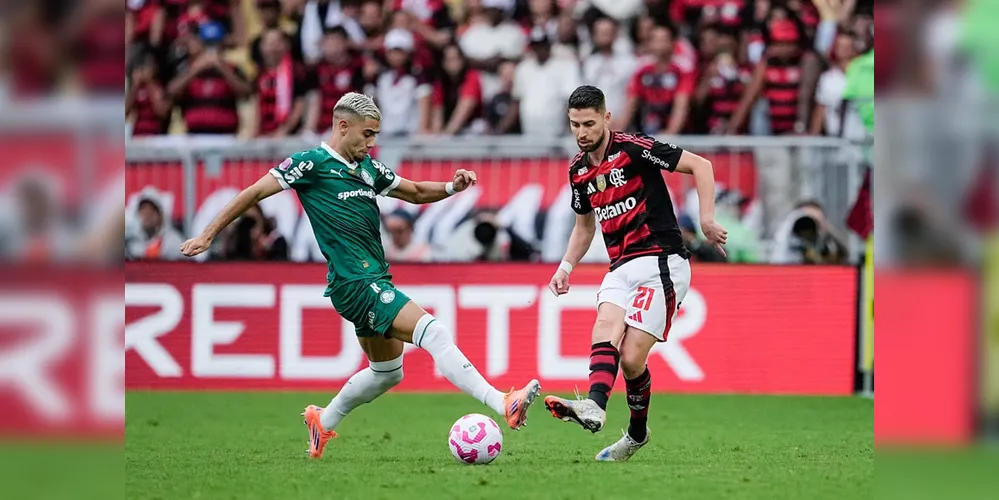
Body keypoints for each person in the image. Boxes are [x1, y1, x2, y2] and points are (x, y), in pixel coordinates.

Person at [179, 92, 541, 459]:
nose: (372, 142)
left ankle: (322, 421)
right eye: (367, 134)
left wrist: (452, 187)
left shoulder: (367, 168)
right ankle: (502, 401)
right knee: (435, 332)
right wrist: (208, 234)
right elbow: (255, 191)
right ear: (343, 126)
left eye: (376, 135)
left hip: (374, 279)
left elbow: (413, 191)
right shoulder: (312, 164)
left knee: (387, 372)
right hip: (355, 282)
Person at [543, 85, 726, 462]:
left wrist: (706, 219)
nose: (581, 132)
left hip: (661, 261)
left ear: (606, 118)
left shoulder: (633, 148)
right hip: (620, 266)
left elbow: (701, 166)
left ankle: (636, 434)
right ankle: (594, 405)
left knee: (630, 359)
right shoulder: (578, 170)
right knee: (604, 326)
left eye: (589, 124)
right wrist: (565, 266)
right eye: (575, 124)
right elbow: (584, 227)